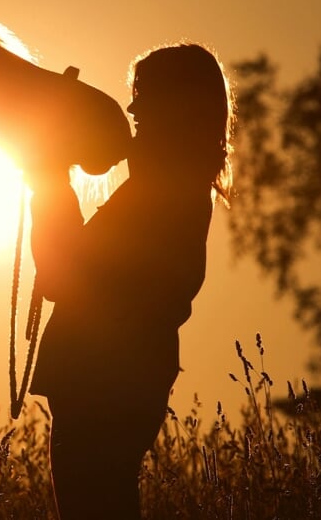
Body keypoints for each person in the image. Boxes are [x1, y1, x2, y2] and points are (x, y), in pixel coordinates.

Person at [27, 43, 234, 519]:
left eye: (145, 95)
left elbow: (66, 276)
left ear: (176, 107)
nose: (133, 107)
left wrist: (49, 181)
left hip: (101, 382)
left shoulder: (159, 195)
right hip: (122, 379)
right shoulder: (174, 188)